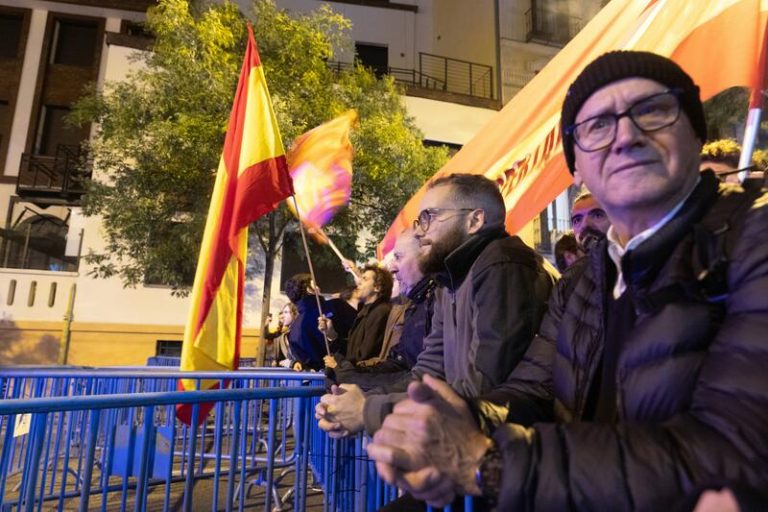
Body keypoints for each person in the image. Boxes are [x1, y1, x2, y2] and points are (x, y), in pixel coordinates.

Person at [366, 51, 768, 510]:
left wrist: (488, 462)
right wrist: (460, 419)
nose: (626, 136)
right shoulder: (584, 281)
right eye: (597, 126)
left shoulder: (753, 237)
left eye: (653, 110)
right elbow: (532, 391)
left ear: (696, 134)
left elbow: (733, 455)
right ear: (578, 168)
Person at [316, 173, 556, 442]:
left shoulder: (504, 266)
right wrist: (357, 402)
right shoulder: (447, 281)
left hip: (507, 456)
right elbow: (428, 374)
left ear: (474, 220)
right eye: (420, 221)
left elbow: (484, 387)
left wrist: (369, 411)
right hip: (465, 444)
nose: (420, 230)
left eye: (429, 217)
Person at [332, 229, 437, 391]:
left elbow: (427, 377)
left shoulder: (438, 302)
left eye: (399, 257)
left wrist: (355, 381)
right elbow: (398, 362)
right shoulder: (414, 307)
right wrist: (353, 374)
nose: (393, 268)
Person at [320, 264, 393, 366]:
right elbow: (351, 348)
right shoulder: (365, 312)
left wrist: (338, 364)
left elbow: (365, 355)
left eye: (364, 279)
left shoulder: (380, 312)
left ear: (377, 287)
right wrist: (332, 335)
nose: (358, 282)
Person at [284, 273, 328, 371]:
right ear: (309, 290)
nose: (318, 288)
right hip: (333, 374)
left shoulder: (294, 327)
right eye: (314, 284)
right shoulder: (322, 312)